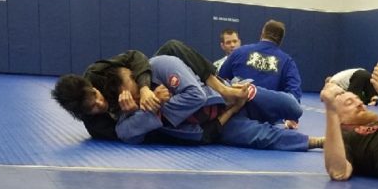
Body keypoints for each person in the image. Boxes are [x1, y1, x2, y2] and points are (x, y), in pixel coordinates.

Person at [52, 40, 257, 141]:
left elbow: (135, 57)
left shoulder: (95, 73)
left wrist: (143, 89)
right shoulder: (96, 126)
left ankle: (222, 88)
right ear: (83, 114)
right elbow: (132, 134)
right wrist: (134, 111)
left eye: (96, 96)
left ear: (93, 87)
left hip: (147, 86)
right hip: (155, 117)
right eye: (93, 108)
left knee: (172, 47)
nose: (100, 103)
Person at [111, 54, 321, 151]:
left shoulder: (161, 66)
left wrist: (236, 95)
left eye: (138, 89)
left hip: (234, 94)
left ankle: (271, 112)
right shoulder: (134, 117)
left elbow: (196, 95)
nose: (141, 97)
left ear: (137, 75)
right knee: (264, 137)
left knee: (293, 109)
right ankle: (316, 141)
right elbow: (130, 136)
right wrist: (136, 110)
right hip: (223, 122)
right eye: (135, 98)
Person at [218, 19, 302, 103]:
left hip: (239, 110)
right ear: (280, 40)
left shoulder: (239, 52)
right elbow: (294, 98)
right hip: (269, 113)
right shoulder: (287, 62)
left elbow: (220, 80)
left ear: (262, 34)